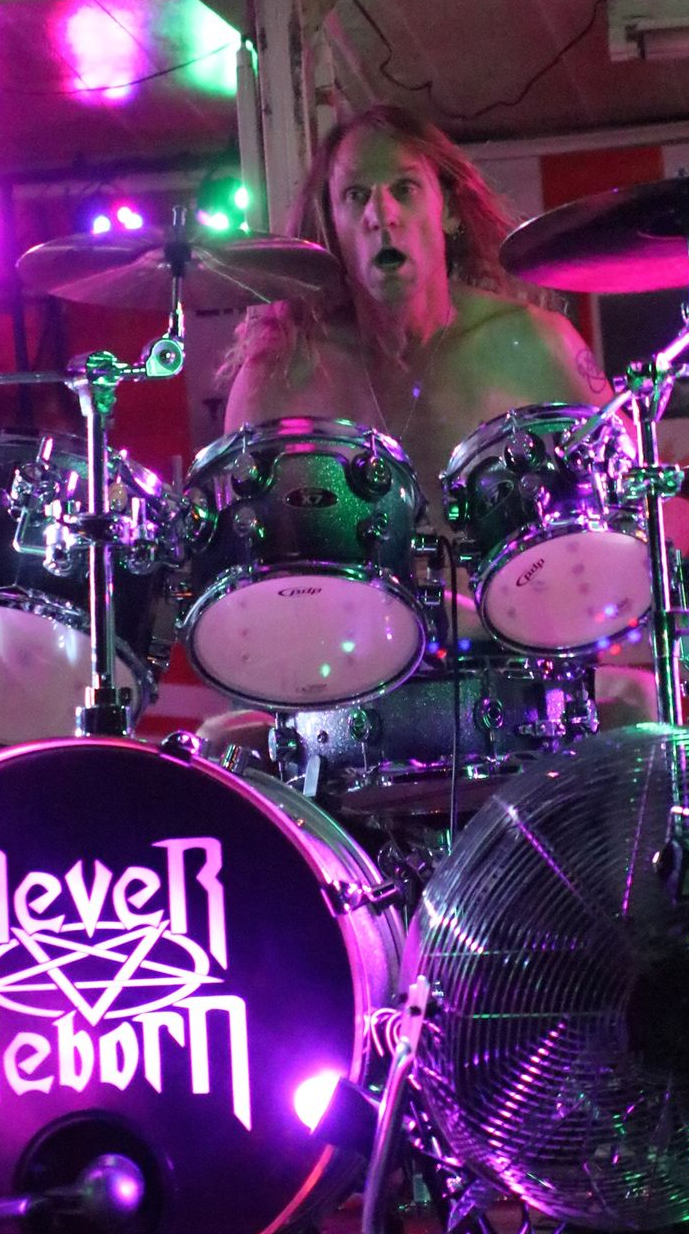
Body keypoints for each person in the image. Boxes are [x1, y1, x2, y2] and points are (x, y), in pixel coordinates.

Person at [197, 105, 657, 753]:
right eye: (356, 195)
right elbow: (244, 578)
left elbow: (645, 509)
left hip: (519, 677)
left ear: (447, 211)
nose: (380, 214)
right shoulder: (280, 372)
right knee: (219, 748)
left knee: (643, 708)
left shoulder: (535, 343)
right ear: (332, 226)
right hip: (345, 692)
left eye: (404, 188)